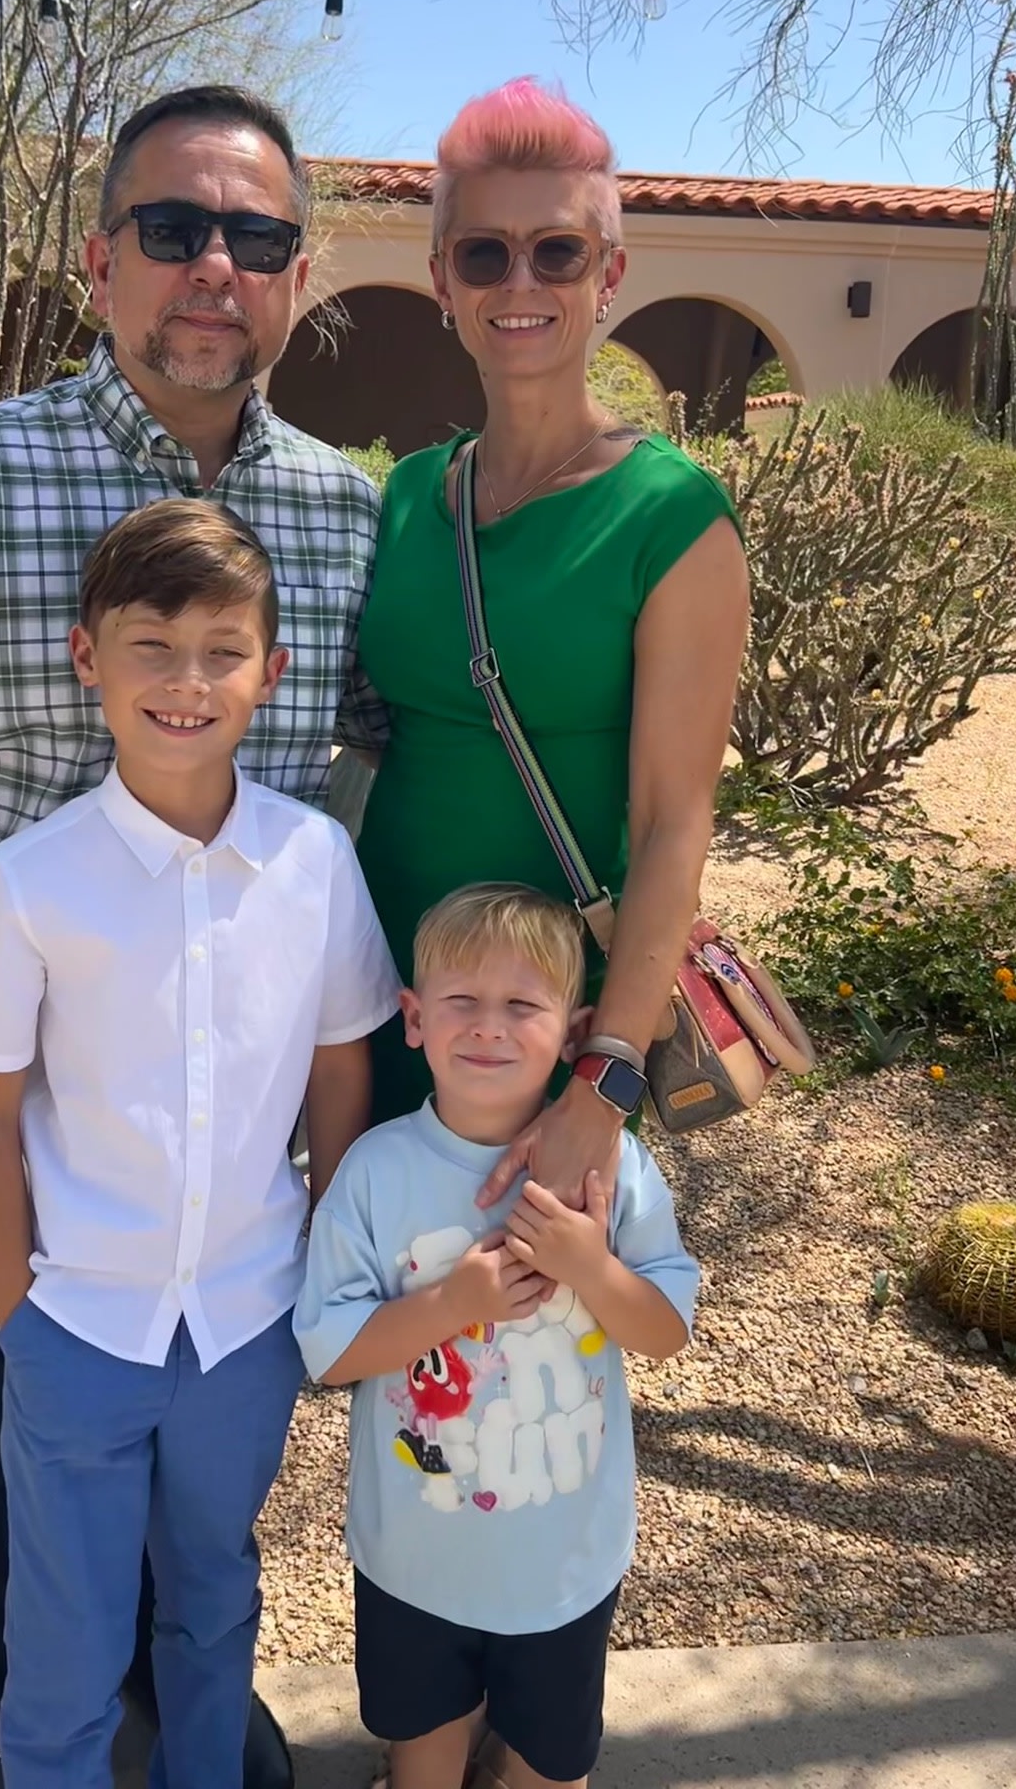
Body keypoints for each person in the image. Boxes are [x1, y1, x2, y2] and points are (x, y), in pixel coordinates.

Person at [0, 84, 385, 1789]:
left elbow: (384, 752)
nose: (215, 268)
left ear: (297, 276)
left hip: (224, 1057)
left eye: (256, 238)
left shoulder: (345, 514)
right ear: (98, 257)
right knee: (19, 1401)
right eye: (175, 229)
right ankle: (29, 1711)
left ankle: (186, 1690)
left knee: (207, 1396)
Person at [0, 498, 399, 1789]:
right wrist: (20, 1318)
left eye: (221, 651)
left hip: (245, 1324)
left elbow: (340, 1063)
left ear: (270, 672)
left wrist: (328, 1250)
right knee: (63, 1638)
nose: (188, 682)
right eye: (153, 646)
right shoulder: (29, 880)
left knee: (213, 1597)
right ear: (89, 657)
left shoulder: (315, 862)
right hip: (76, 1327)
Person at [349, 78, 750, 1207]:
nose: (519, 283)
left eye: (558, 252)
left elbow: (673, 823)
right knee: (375, 1291)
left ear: (607, 274)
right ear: (443, 280)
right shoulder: (410, 496)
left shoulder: (672, 520)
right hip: (384, 983)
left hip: (549, 1021)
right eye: (484, 253)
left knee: (531, 1306)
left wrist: (605, 1079)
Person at [295, 883, 698, 1789]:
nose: (488, 1026)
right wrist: (453, 1303)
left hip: (565, 1566)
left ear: (576, 1031)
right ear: (413, 1019)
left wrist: (590, 1266)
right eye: (462, 1001)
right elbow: (330, 1351)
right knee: (423, 1756)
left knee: (551, 1766)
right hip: (413, 1564)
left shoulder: (614, 1168)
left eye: (522, 1005)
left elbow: (666, 1330)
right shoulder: (375, 1171)